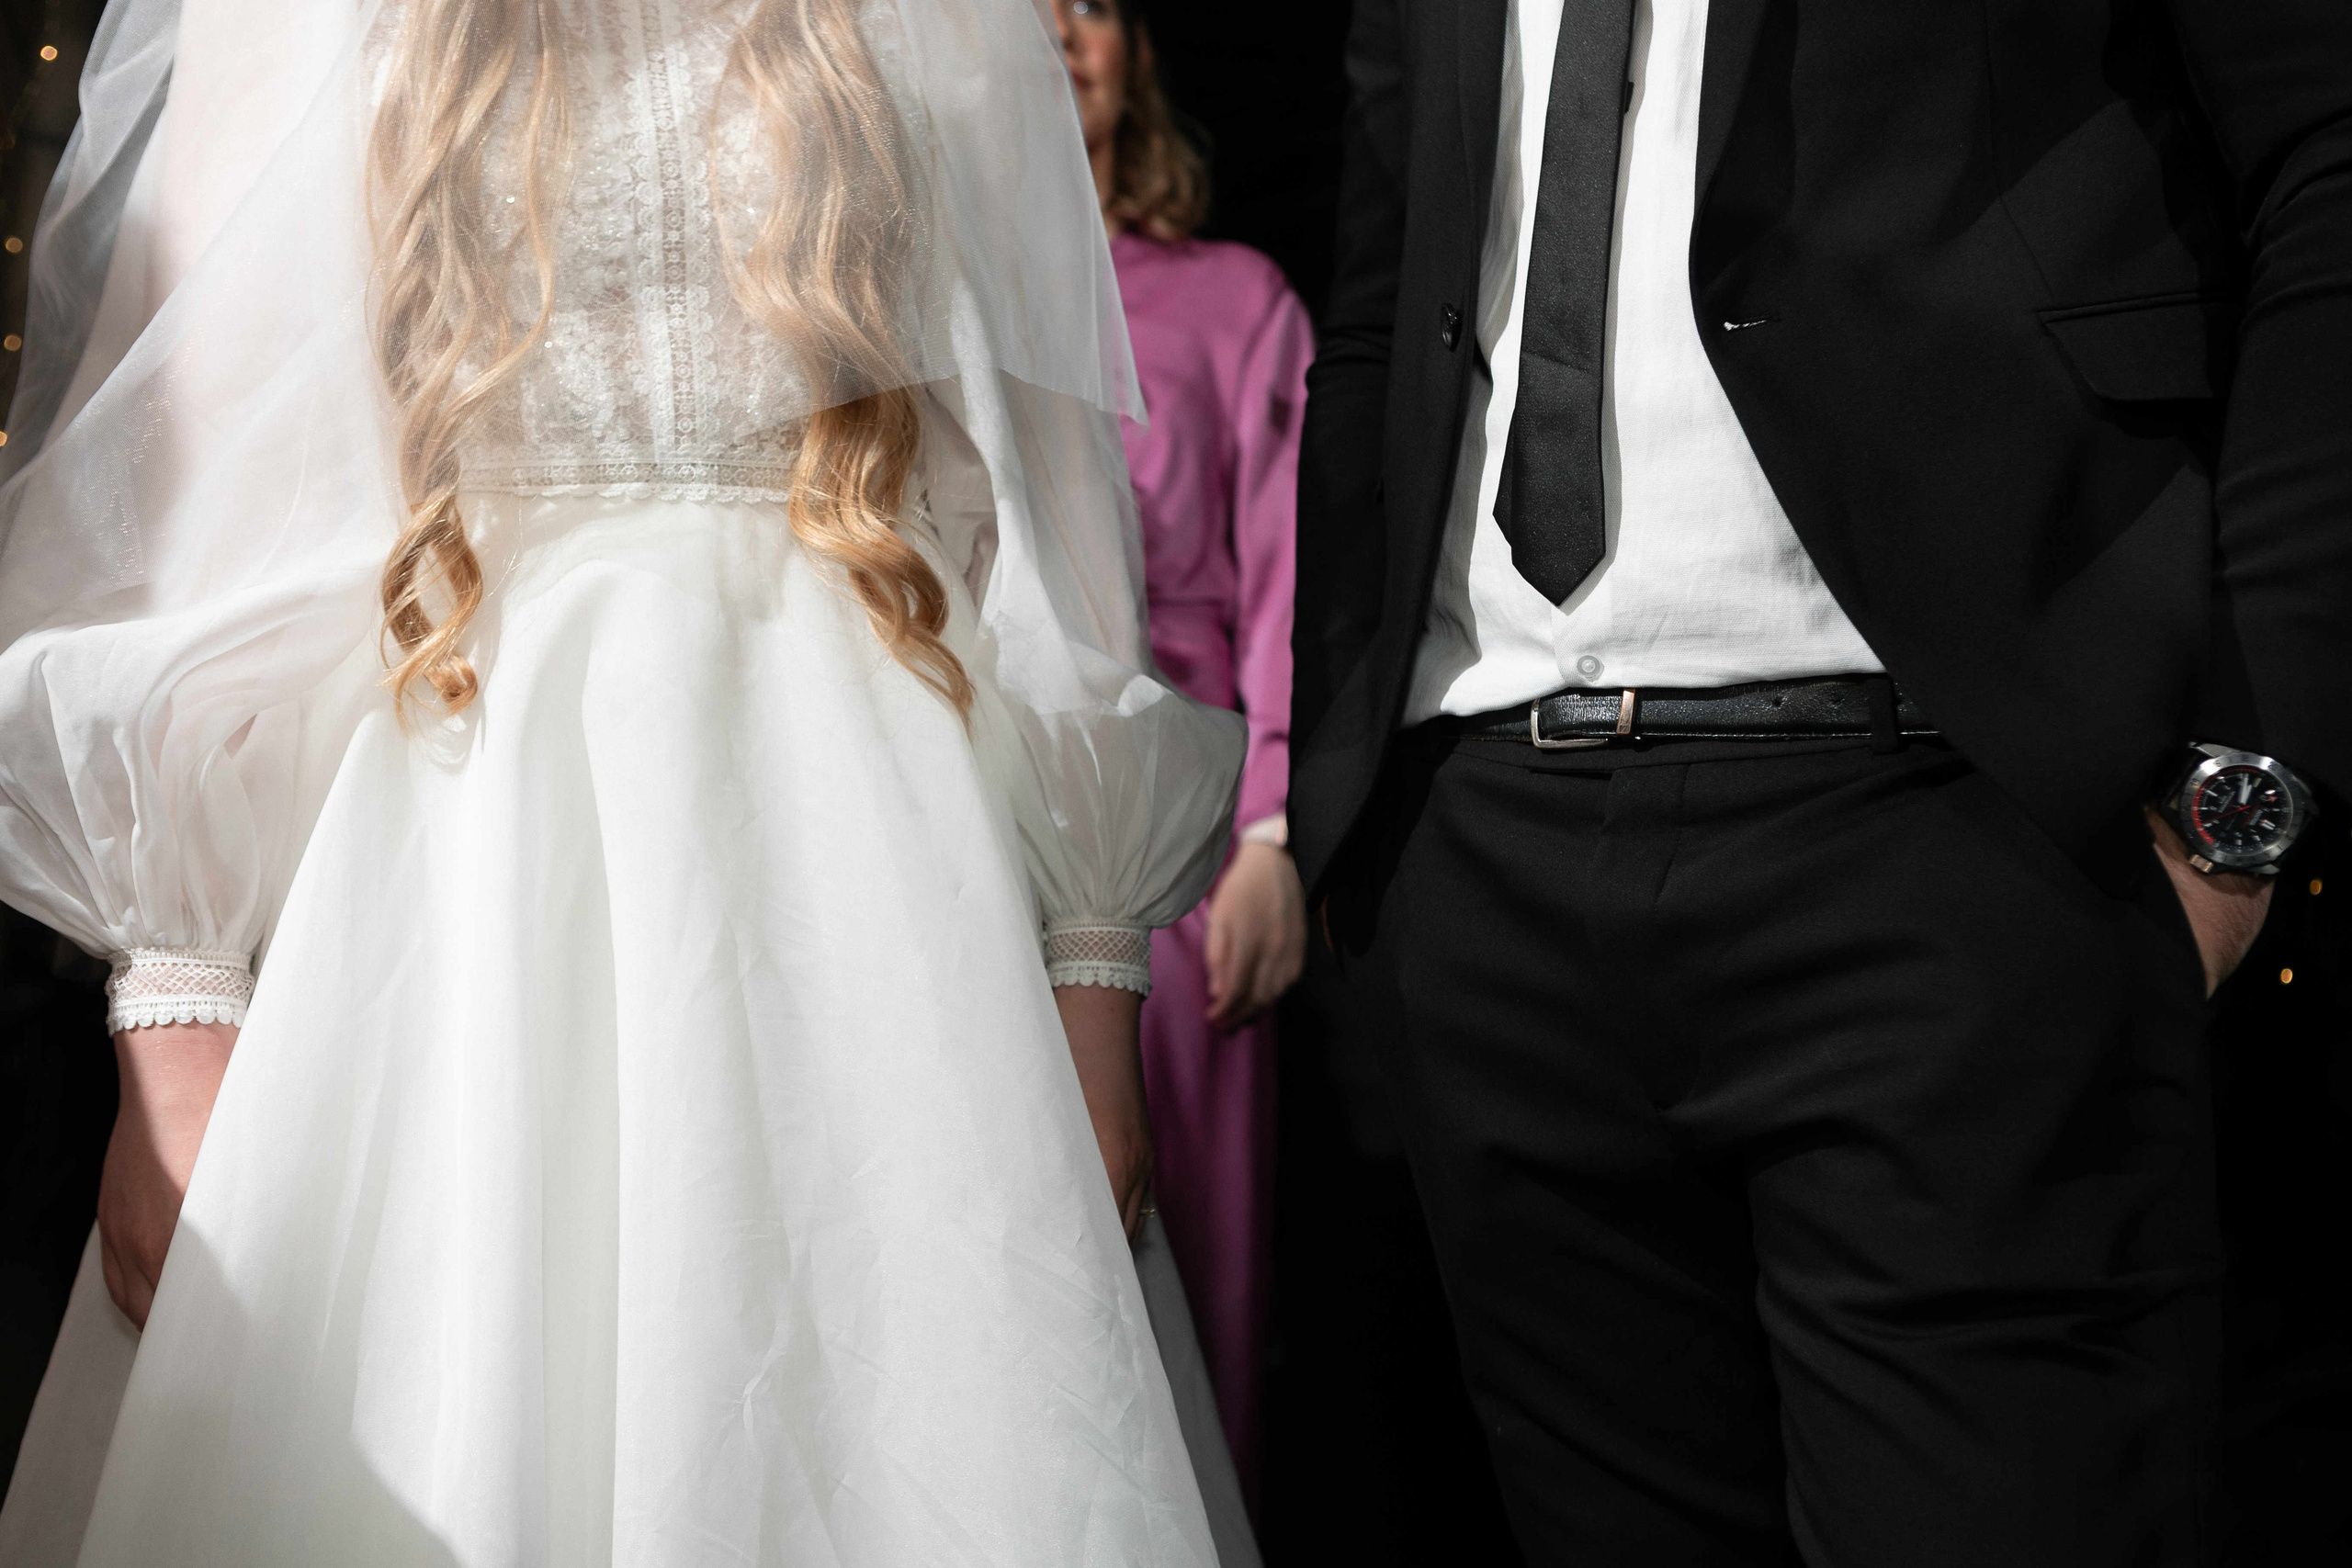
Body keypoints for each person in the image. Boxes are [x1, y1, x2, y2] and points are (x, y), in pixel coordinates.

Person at [0, 0, 1257, 1561]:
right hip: (461, 838)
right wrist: (177, 1000)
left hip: (862, 890)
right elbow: (200, 514)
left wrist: (1090, 968)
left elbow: (1034, 507)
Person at [1292, 0, 2350, 1562]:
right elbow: (1388, 295)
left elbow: (2323, 158)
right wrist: (1362, 808)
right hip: (1490, 854)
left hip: (1958, 832)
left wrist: (2253, 773)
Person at [1054, 0, 1312, 1505]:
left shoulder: (1236, 301)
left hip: (1188, 847)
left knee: (1189, 1256)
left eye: (1088, 3)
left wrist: (1274, 837)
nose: (1056, 31)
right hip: (988, 824)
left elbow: (1289, 580)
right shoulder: (924, 299)